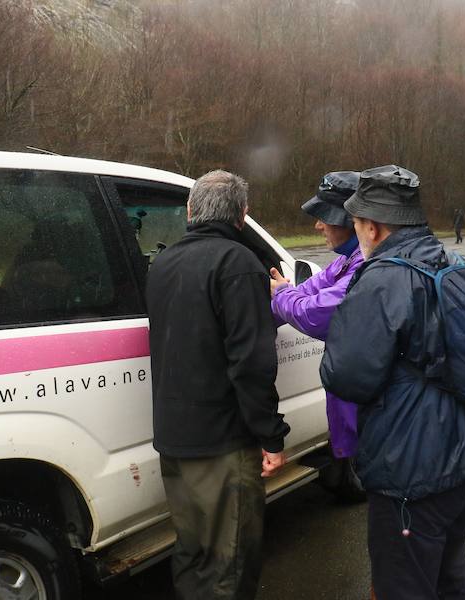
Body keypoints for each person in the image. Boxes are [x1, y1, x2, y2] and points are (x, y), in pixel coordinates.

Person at [320, 165, 465, 600]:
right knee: (450, 570)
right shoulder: (450, 261)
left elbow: (348, 377)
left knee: (404, 584)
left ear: (373, 227)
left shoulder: (383, 279)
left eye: (357, 223)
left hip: (412, 469)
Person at [146, 170, 290, 600]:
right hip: (223, 445)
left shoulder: (162, 264)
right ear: (242, 216)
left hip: (174, 441)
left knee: (191, 553)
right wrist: (271, 435)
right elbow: (251, 363)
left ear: (191, 212)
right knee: (229, 563)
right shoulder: (239, 264)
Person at [269, 170, 364, 461]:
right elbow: (308, 289)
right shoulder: (344, 263)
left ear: (349, 220)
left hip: (377, 425)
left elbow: (315, 314)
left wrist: (281, 294)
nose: (318, 225)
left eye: (325, 216)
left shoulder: (368, 266)